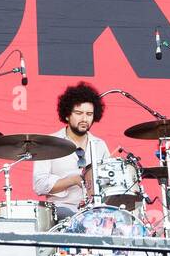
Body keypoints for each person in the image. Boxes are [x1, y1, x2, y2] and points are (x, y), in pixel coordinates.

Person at [32, 81, 114, 220]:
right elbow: (39, 185)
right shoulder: (49, 143)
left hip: (94, 212)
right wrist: (73, 180)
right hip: (61, 211)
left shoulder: (99, 145)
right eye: (78, 113)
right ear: (67, 115)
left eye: (89, 114)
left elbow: (110, 184)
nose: (84, 119)